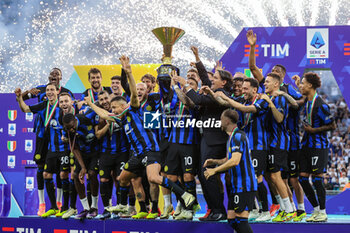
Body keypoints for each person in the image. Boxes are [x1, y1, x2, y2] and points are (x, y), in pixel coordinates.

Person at [85, 55, 195, 218]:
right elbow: (104, 114)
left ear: (123, 105)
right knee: (123, 178)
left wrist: (129, 72)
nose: (113, 110)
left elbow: (134, 95)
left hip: (151, 150)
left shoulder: (134, 109)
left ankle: (186, 196)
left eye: (115, 107)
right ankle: (122, 206)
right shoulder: (120, 119)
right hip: (137, 155)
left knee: (153, 178)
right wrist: (91, 104)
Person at [212, 77, 271, 221]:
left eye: (245, 89)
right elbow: (225, 102)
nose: (242, 91)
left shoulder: (262, 100)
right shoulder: (243, 100)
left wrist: (225, 97)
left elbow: (247, 109)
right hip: (248, 145)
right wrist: (212, 94)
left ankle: (265, 211)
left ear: (254, 90)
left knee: (257, 178)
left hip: (259, 145)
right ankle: (256, 209)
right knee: (251, 178)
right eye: (242, 88)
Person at [21, 68, 74, 216]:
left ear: (61, 77)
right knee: (41, 167)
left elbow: (71, 109)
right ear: (49, 77)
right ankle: (42, 204)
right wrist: (26, 92)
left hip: (56, 135)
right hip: (41, 134)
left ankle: (58, 202)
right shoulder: (40, 89)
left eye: (57, 74)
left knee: (59, 171)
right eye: (52, 74)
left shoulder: (67, 92)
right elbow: (23, 101)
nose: (54, 76)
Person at [184, 63, 233, 221]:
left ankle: (219, 210)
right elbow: (206, 80)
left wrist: (184, 84)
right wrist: (198, 61)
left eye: (216, 78)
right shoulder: (214, 91)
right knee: (203, 174)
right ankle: (214, 209)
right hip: (206, 139)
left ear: (223, 82)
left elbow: (197, 99)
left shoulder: (221, 94)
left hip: (215, 141)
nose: (211, 81)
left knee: (208, 174)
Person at [204, 109, 257, 233]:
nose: (219, 122)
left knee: (241, 221)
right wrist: (214, 161)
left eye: (221, 119)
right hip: (236, 185)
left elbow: (235, 161)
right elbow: (229, 159)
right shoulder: (232, 137)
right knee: (232, 220)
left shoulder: (238, 136)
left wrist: (214, 171)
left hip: (244, 185)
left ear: (227, 121)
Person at [296, 72, 336, 222]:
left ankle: (323, 212)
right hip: (306, 145)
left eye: (303, 83)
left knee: (318, 179)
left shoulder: (321, 105)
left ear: (310, 85)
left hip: (318, 147)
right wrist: (297, 83)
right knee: (303, 179)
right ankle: (316, 209)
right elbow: (302, 94)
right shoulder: (308, 101)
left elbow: (332, 125)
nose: (301, 86)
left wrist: (314, 130)